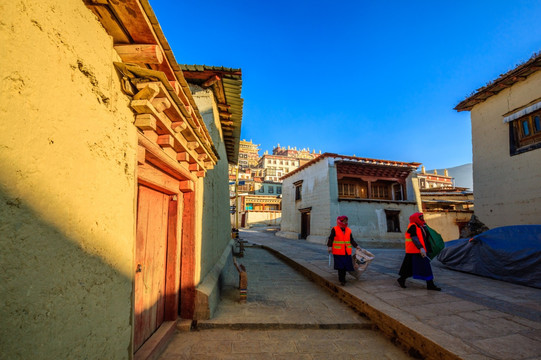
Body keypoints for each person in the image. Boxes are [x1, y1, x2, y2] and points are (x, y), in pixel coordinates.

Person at [397, 212, 441, 291]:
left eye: (422, 217)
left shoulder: (421, 226)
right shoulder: (413, 226)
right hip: (415, 251)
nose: (422, 219)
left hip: (419, 251)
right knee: (423, 267)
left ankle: (402, 279)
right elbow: (414, 238)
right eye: (420, 217)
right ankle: (430, 284)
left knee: (410, 267)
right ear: (416, 218)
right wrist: (421, 248)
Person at [327, 215, 360, 286]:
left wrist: (356, 246)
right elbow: (331, 238)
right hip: (338, 252)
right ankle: (342, 280)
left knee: (345, 266)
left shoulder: (348, 230)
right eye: (343, 221)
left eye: (346, 221)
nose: (345, 222)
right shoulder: (334, 229)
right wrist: (329, 246)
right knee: (340, 266)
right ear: (340, 221)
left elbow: (351, 239)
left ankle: (343, 278)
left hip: (347, 252)